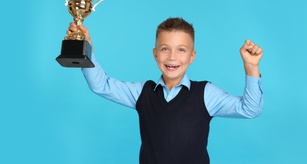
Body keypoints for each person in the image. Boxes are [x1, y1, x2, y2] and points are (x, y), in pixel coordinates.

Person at [67, 17, 263, 164]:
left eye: (181, 50)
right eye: (164, 49)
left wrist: (251, 67)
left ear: (192, 56)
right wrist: (86, 48)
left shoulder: (205, 94)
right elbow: (101, 85)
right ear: (155, 54)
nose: (172, 57)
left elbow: (250, 109)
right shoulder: (142, 92)